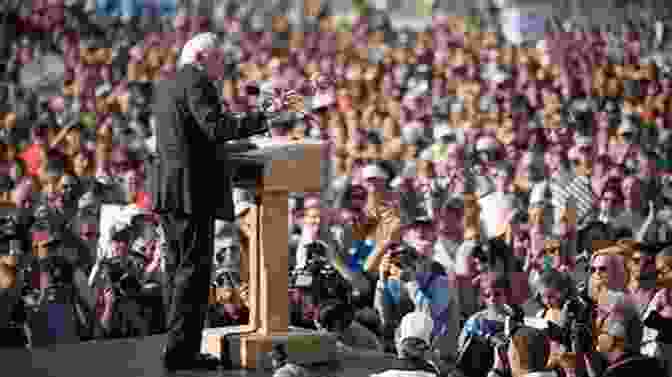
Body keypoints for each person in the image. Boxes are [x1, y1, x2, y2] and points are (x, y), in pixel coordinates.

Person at [151, 32, 301, 371]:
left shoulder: (168, 83)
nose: (224, 65)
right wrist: (265, 118)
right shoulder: (197, 81)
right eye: (219, 58)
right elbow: (216, 128)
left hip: (170, 190)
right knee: (193, 272)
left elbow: (191, 137)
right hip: (191, 192)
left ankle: (175, 346)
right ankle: (182, 352)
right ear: (203, 57)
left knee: (177, 270)